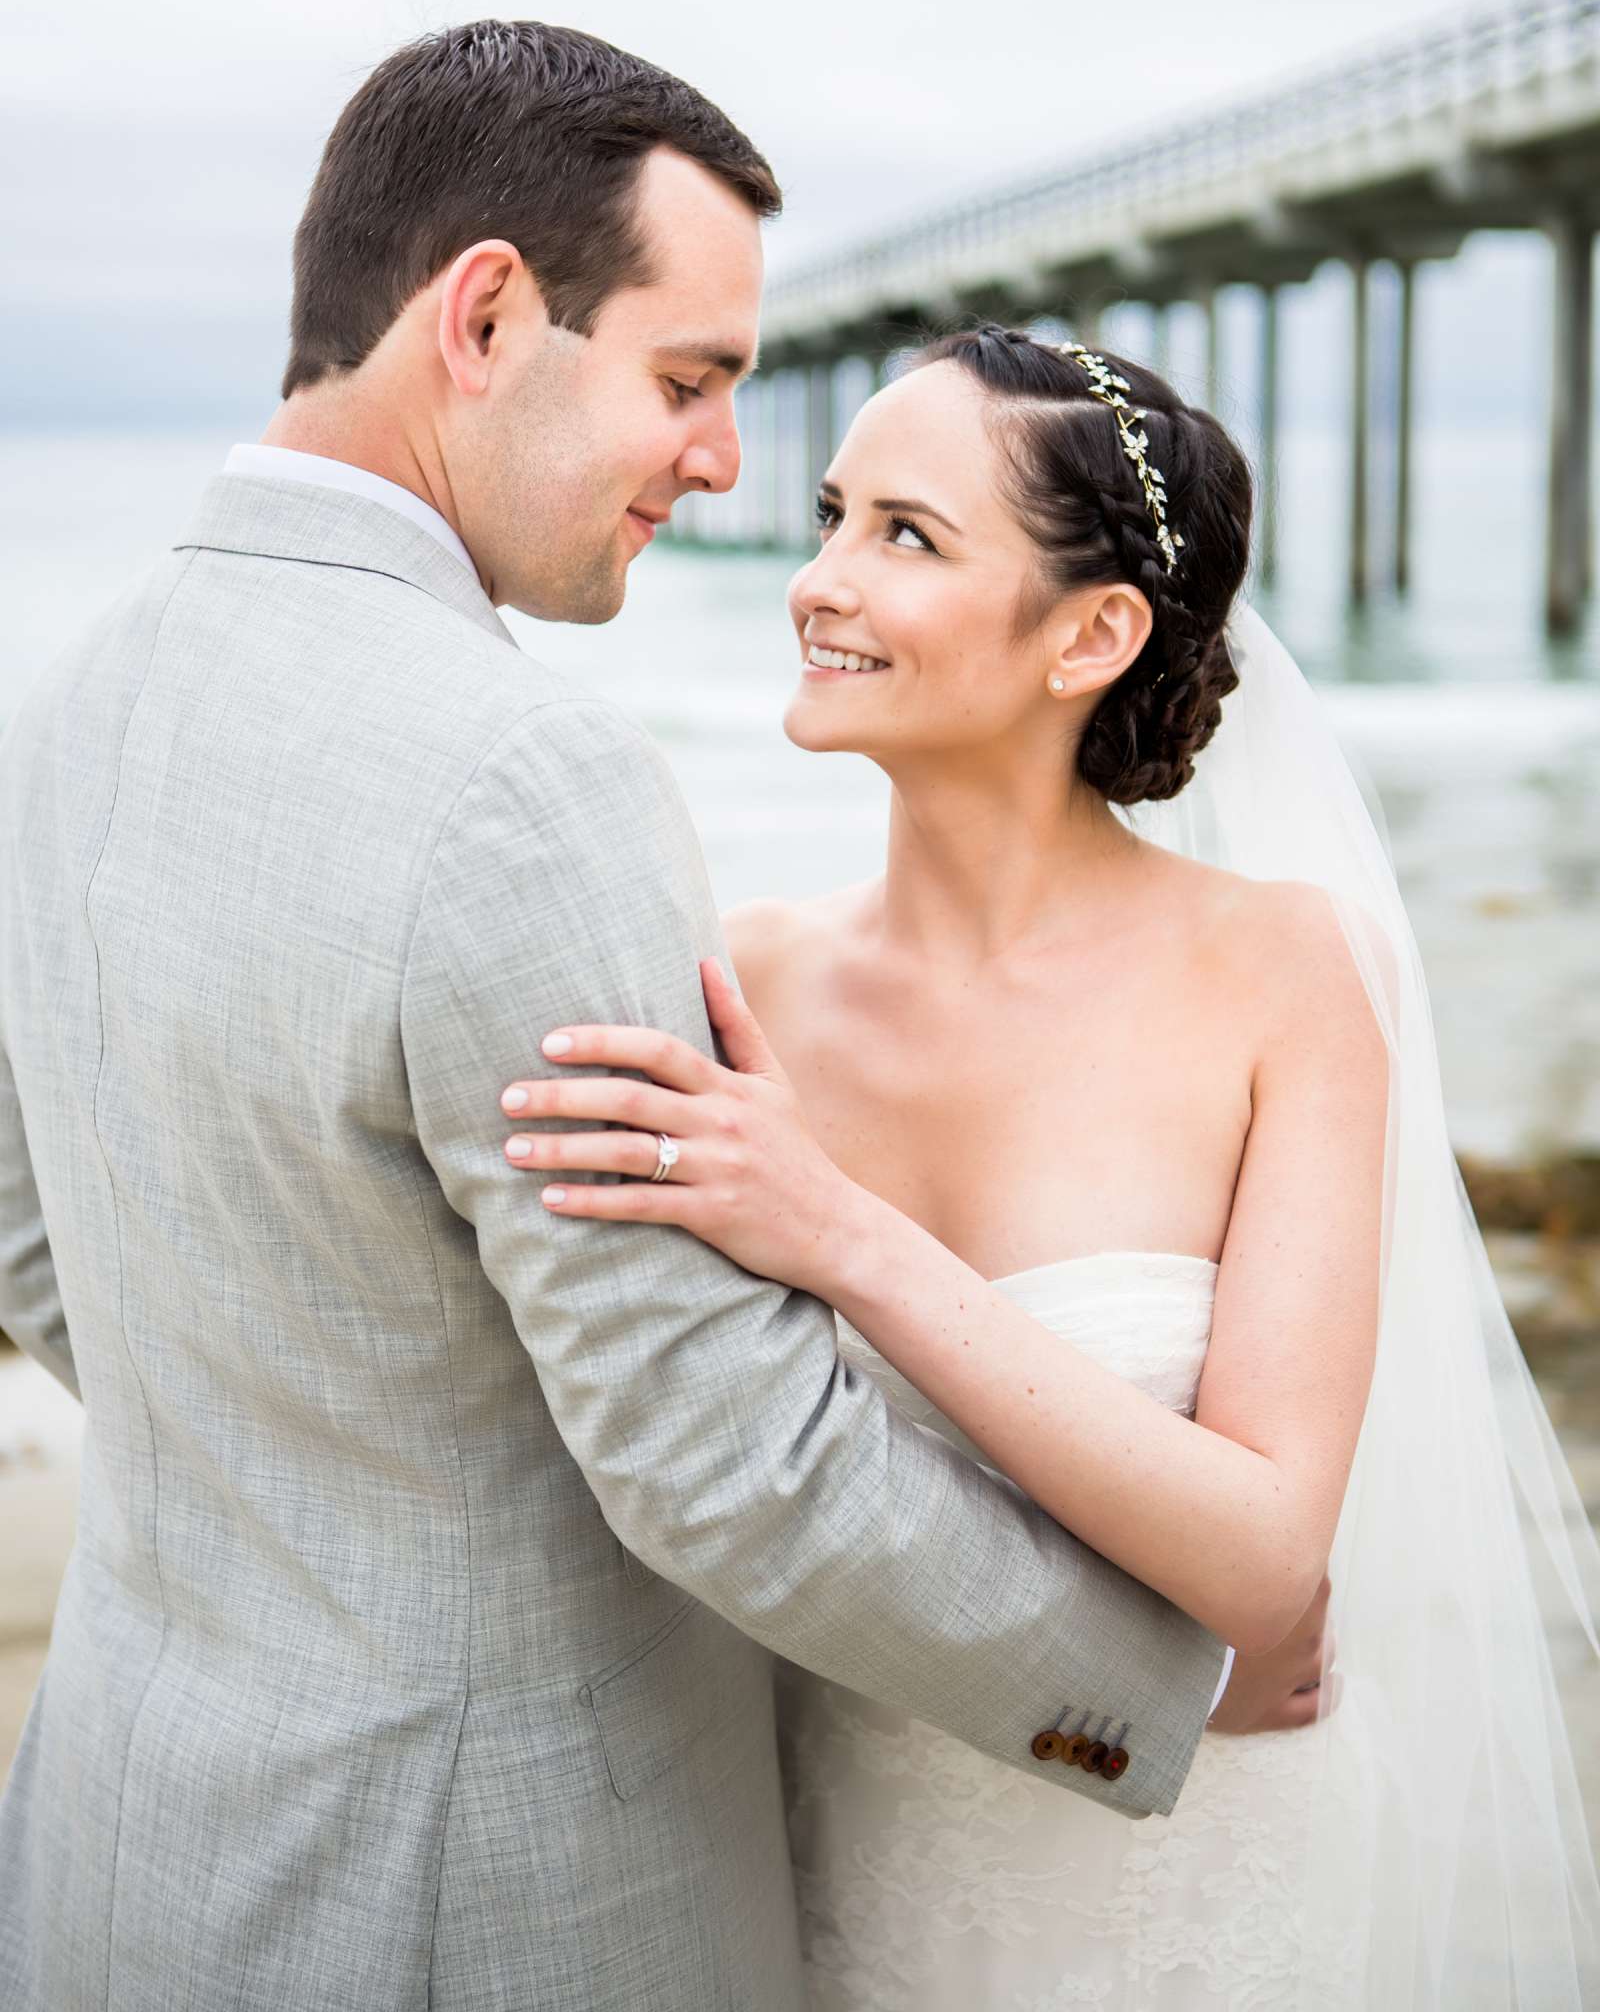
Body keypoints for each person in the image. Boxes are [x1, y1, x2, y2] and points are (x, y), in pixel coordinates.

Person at [0, 26, 1259, 2012]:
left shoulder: (60, 703)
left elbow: (36, 1237)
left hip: (117, 1843)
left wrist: (340, 1434)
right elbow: (715, 1461)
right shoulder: (517, 780)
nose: (725, 463)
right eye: (685, 381)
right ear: (485, 316)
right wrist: (1149, 1686)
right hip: (476, 1902)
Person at [498, 326, 1600, 2006]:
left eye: (907, 537)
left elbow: (1262, 1559)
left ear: (1092, 632)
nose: (817, 582)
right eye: (832, 513)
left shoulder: (1284, 974)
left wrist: (844, 1235)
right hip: (822, 1877)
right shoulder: (734, 979)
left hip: (1182, 1891)